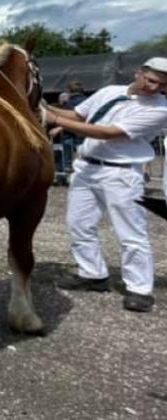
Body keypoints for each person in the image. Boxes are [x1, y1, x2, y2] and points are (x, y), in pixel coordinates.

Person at [46, 57, 167, 313]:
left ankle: (139, 288)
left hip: (121, 174)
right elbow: (78, 114)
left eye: (163, 85)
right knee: (78, 224)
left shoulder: (159, 109)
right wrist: (43, 108)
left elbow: (107, 132)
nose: (155, 88)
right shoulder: (110, 92)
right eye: (152, 80)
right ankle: (92, 274)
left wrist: (54, 120)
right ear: (139, 73)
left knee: (130, 232)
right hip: (87, 167)